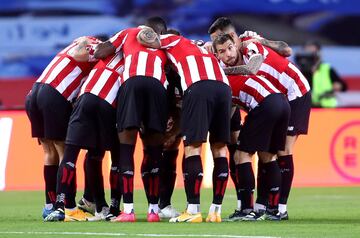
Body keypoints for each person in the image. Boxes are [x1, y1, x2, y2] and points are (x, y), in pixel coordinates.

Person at [138, 27, 231, 223]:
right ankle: (216, 211)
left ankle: (193, 210)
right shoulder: (201, 46)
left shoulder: (172, 40)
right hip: (223, 87)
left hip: (199, 86)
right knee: (220, 149)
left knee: (192, 148)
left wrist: (140, 33)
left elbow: (147, 39)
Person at [213, 33, 311, 220]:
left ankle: (250, 210)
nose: (227, 54)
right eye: (221, 51)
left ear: (236, 43)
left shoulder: (250, 48)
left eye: (229, 48)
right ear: (217, 55)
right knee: (268, 155)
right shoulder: (231, 71)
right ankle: (271, 209)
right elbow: (232, 106)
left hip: (287, 97)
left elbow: (253, 67)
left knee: (243, 155)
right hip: (280, 102)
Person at [94, 16, 169, 223]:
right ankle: (153, 211)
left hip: (132, 84)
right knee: (153, 152)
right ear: (162, 32)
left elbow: (100, 52)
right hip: (157, 88)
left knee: (126, 148)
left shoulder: (129, 33)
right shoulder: (168, 42)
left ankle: (128, 210)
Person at [44, 39, 124, 222]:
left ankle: (61, 207)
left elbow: (81, 56)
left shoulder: (101, 55)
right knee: (115, 157)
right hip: (108, 104)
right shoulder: (132, 59)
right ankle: (112, 208)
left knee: (71, 156)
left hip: (83, 99)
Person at [25, 36, 102, 219]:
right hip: (55, 95)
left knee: (48, 152)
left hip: (33, 93)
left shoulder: (71, 47)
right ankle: (66, 206)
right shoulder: (95, 52)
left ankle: (50, 205)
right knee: (65, 153)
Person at [295, 40, 347, 108]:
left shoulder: (327, 69)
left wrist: (338, 85)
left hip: (326, 108)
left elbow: (343, 86)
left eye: (312, 52)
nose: (309, 55)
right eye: (307, 52)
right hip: (306, 109)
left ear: (319, 54)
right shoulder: (297, 71)